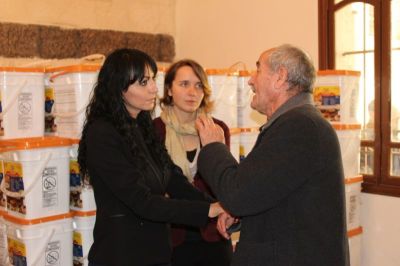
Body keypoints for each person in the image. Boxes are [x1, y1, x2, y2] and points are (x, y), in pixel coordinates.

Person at [195, 44, 350, 266]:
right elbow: (274, 190)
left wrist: (213, 146)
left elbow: (237, 193)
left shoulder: (299, 126)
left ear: (280, 77)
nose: (250, 80)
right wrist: (242, 214)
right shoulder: (296, 123)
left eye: (258, 70)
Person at [78, 48, 224, 266]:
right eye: (143, 82)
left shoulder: (142, 126)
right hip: (122, 255)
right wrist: (208, 210)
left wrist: (218, 206)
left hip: (155, 253)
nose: (154, 89)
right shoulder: (102, 133)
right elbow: (141, 201)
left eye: (153, 80)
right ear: (119, 87)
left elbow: (174, 179)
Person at [153, 59, 233, 266]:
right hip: (171, 235)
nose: (192, 92)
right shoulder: (154, 131)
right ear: (169, 89)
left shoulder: (217, 129)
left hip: (213, 233)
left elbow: (223, 180)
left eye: (198, 85)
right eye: (184, 84)